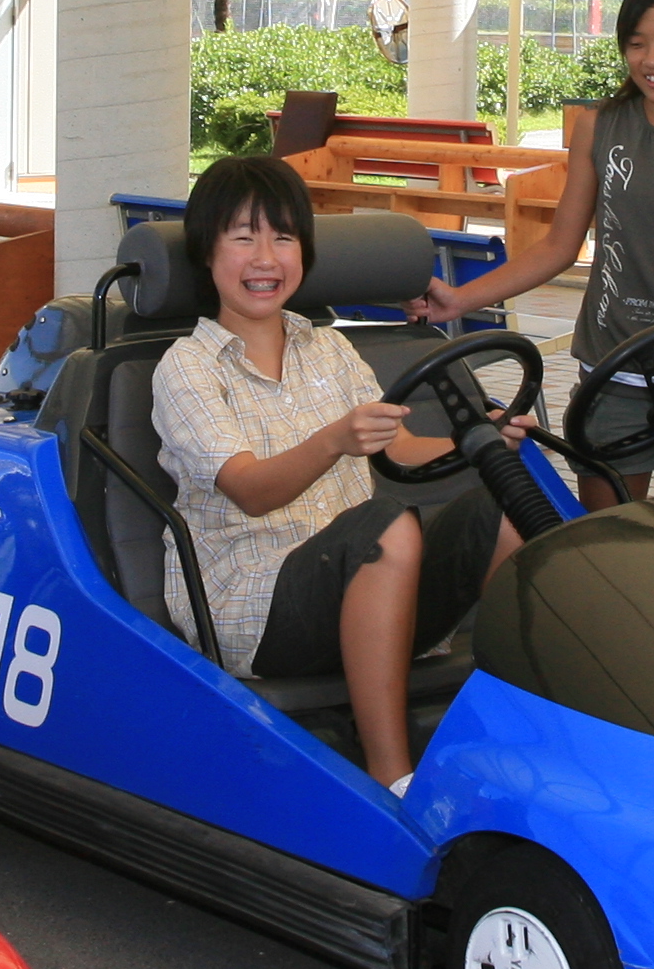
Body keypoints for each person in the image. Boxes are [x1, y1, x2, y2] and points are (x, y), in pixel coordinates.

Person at [148, 154, 531, 790]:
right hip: (254, 607)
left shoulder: (326, 344)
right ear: (207, 255)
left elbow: (401, 448)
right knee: (383, 524)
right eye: (243, 238)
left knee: (505, 507)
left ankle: (508, 738)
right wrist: (332, 441)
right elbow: (248, 488)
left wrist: (483, 445)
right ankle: (393, 779)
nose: (265, 258)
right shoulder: (186, 368)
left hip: (363, 584)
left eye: (283, 237)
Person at [415, 0, 654, 494]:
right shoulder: (599, 128)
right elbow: (561, 246)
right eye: (635, 43)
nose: (650, 60)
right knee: (608, 550)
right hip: (617, 369)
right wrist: (459, 300)